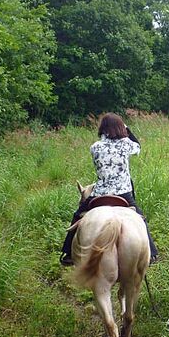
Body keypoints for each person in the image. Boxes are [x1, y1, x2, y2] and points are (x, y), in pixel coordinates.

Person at [60, 113, 159, 266]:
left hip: (100, 193)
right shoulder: (126, 144)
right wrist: (127, 130)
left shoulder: (95, 147)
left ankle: (68, 253)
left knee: (78, 216)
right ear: (120, 128)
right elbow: (137, 146)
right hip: (123, 194)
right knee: (140, 219)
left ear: (102, 129)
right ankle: (152, 253)